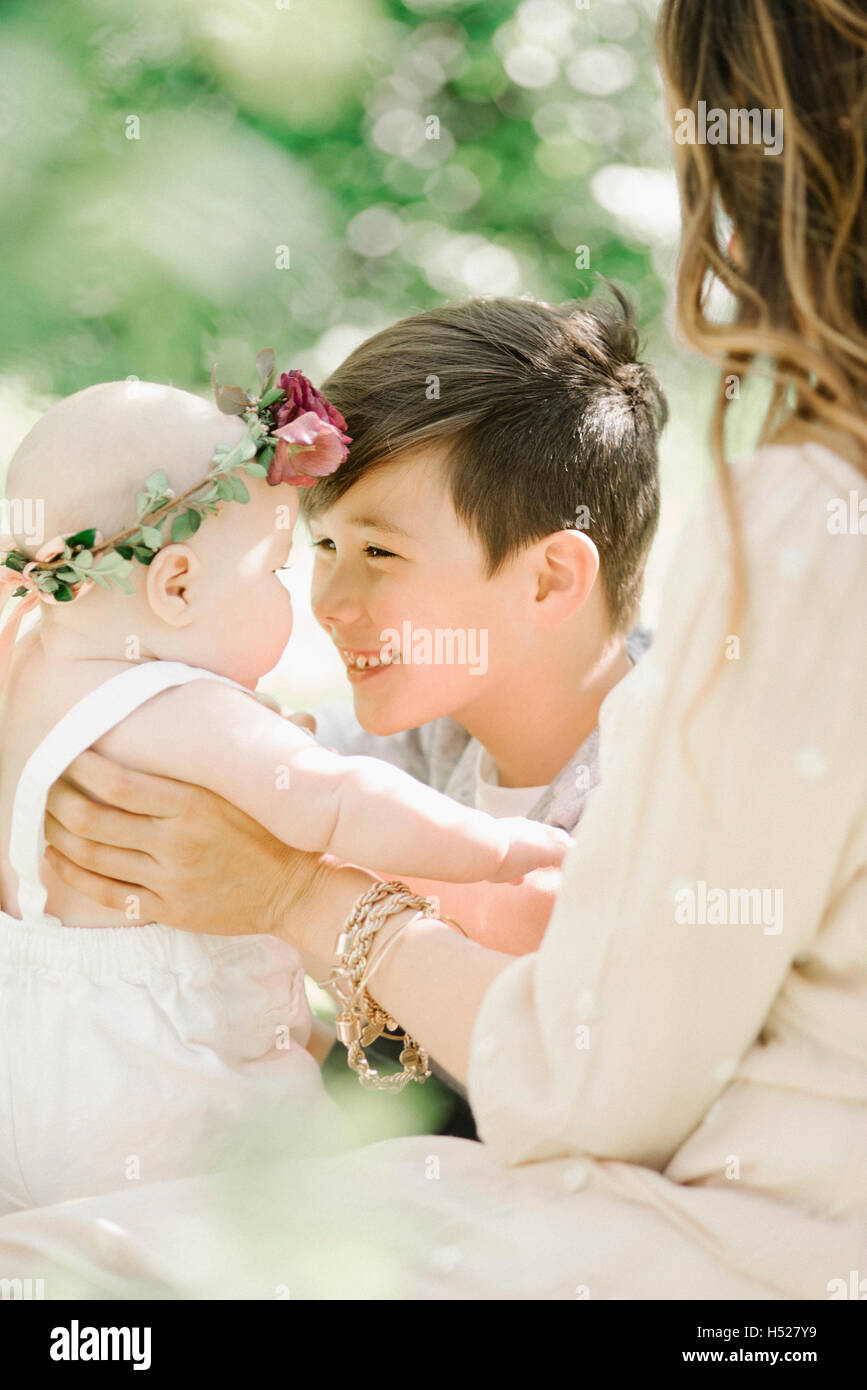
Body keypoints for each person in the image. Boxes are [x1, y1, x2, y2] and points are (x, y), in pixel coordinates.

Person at [0, 0, 864, 1300]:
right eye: (318, 550)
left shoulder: (651, 765)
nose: (329, 601)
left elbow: (575, 1044)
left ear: (551, 577)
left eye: (379, 557)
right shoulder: (426, 744)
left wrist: (290, 891)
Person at [0, 372, 568, 1216]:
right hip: (173, 1098)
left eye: (376, 550)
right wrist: (498, 848)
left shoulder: (27, 667)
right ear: (179, 587)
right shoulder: (180, 708)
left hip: (39, 1079)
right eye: (279, 567)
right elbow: (337, 796)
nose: (315, 602)